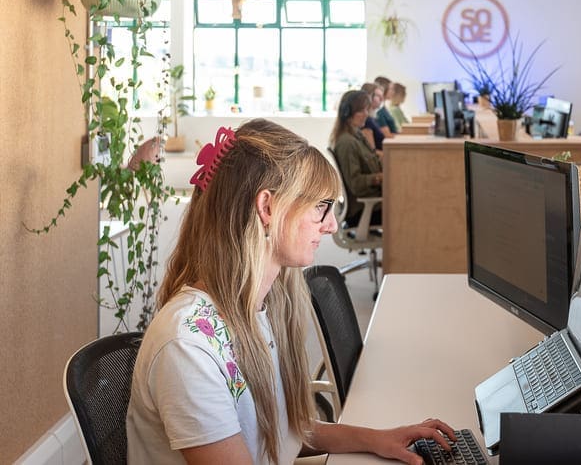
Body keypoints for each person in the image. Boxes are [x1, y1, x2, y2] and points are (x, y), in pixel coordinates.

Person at [127, 119, 454, 464]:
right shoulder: (188, 345)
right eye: (320, 206)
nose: (331, 225)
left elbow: (280, 432)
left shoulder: (258, 306)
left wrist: (377, 439)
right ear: (267, 208)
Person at [331, 90, 384, 227]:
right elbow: (356, 184)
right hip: (363, 209)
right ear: (347, 113)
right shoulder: (347, 143)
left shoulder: (357, 135)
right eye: (361, 110)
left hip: (373, 201)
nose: (366, 114)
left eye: (367, 109)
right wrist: (378, 178)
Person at [360, 82, 393, 150]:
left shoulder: (372, 118)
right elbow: (372, 152)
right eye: (378, 96)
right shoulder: (366, 121)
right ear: (368, 97)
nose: (381, 99)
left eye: (381, 96)